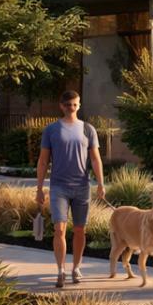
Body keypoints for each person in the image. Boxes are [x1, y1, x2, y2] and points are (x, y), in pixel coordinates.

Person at [35, 91, 106, 288]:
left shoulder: (88, 129)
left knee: (80, 230)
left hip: (82, 187)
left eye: (74, 104)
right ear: (61, 106)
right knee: (59, 229)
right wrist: (39, 188)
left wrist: (101, 184)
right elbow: (43, 161)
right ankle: (61, 270)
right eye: (67, 105)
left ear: (79, 105)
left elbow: (95, 159)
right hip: (59, 187)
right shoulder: (51, 130)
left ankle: (76, 268)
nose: (71, 108)